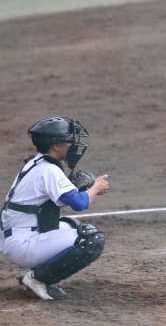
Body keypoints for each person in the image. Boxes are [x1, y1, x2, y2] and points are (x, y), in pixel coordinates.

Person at [0, 117, 110, 300]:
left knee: (74, 226)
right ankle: (37, 279)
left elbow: (55, 200)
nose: (74, 145)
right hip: (23, 244)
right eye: (70, 140)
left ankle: (28, 269)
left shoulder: (35, 163)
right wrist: (96, 187)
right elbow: (79, 204)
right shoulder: (49, 170)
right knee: (92, 240)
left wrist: (81, 189)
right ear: (56, 145)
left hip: (14, 238)